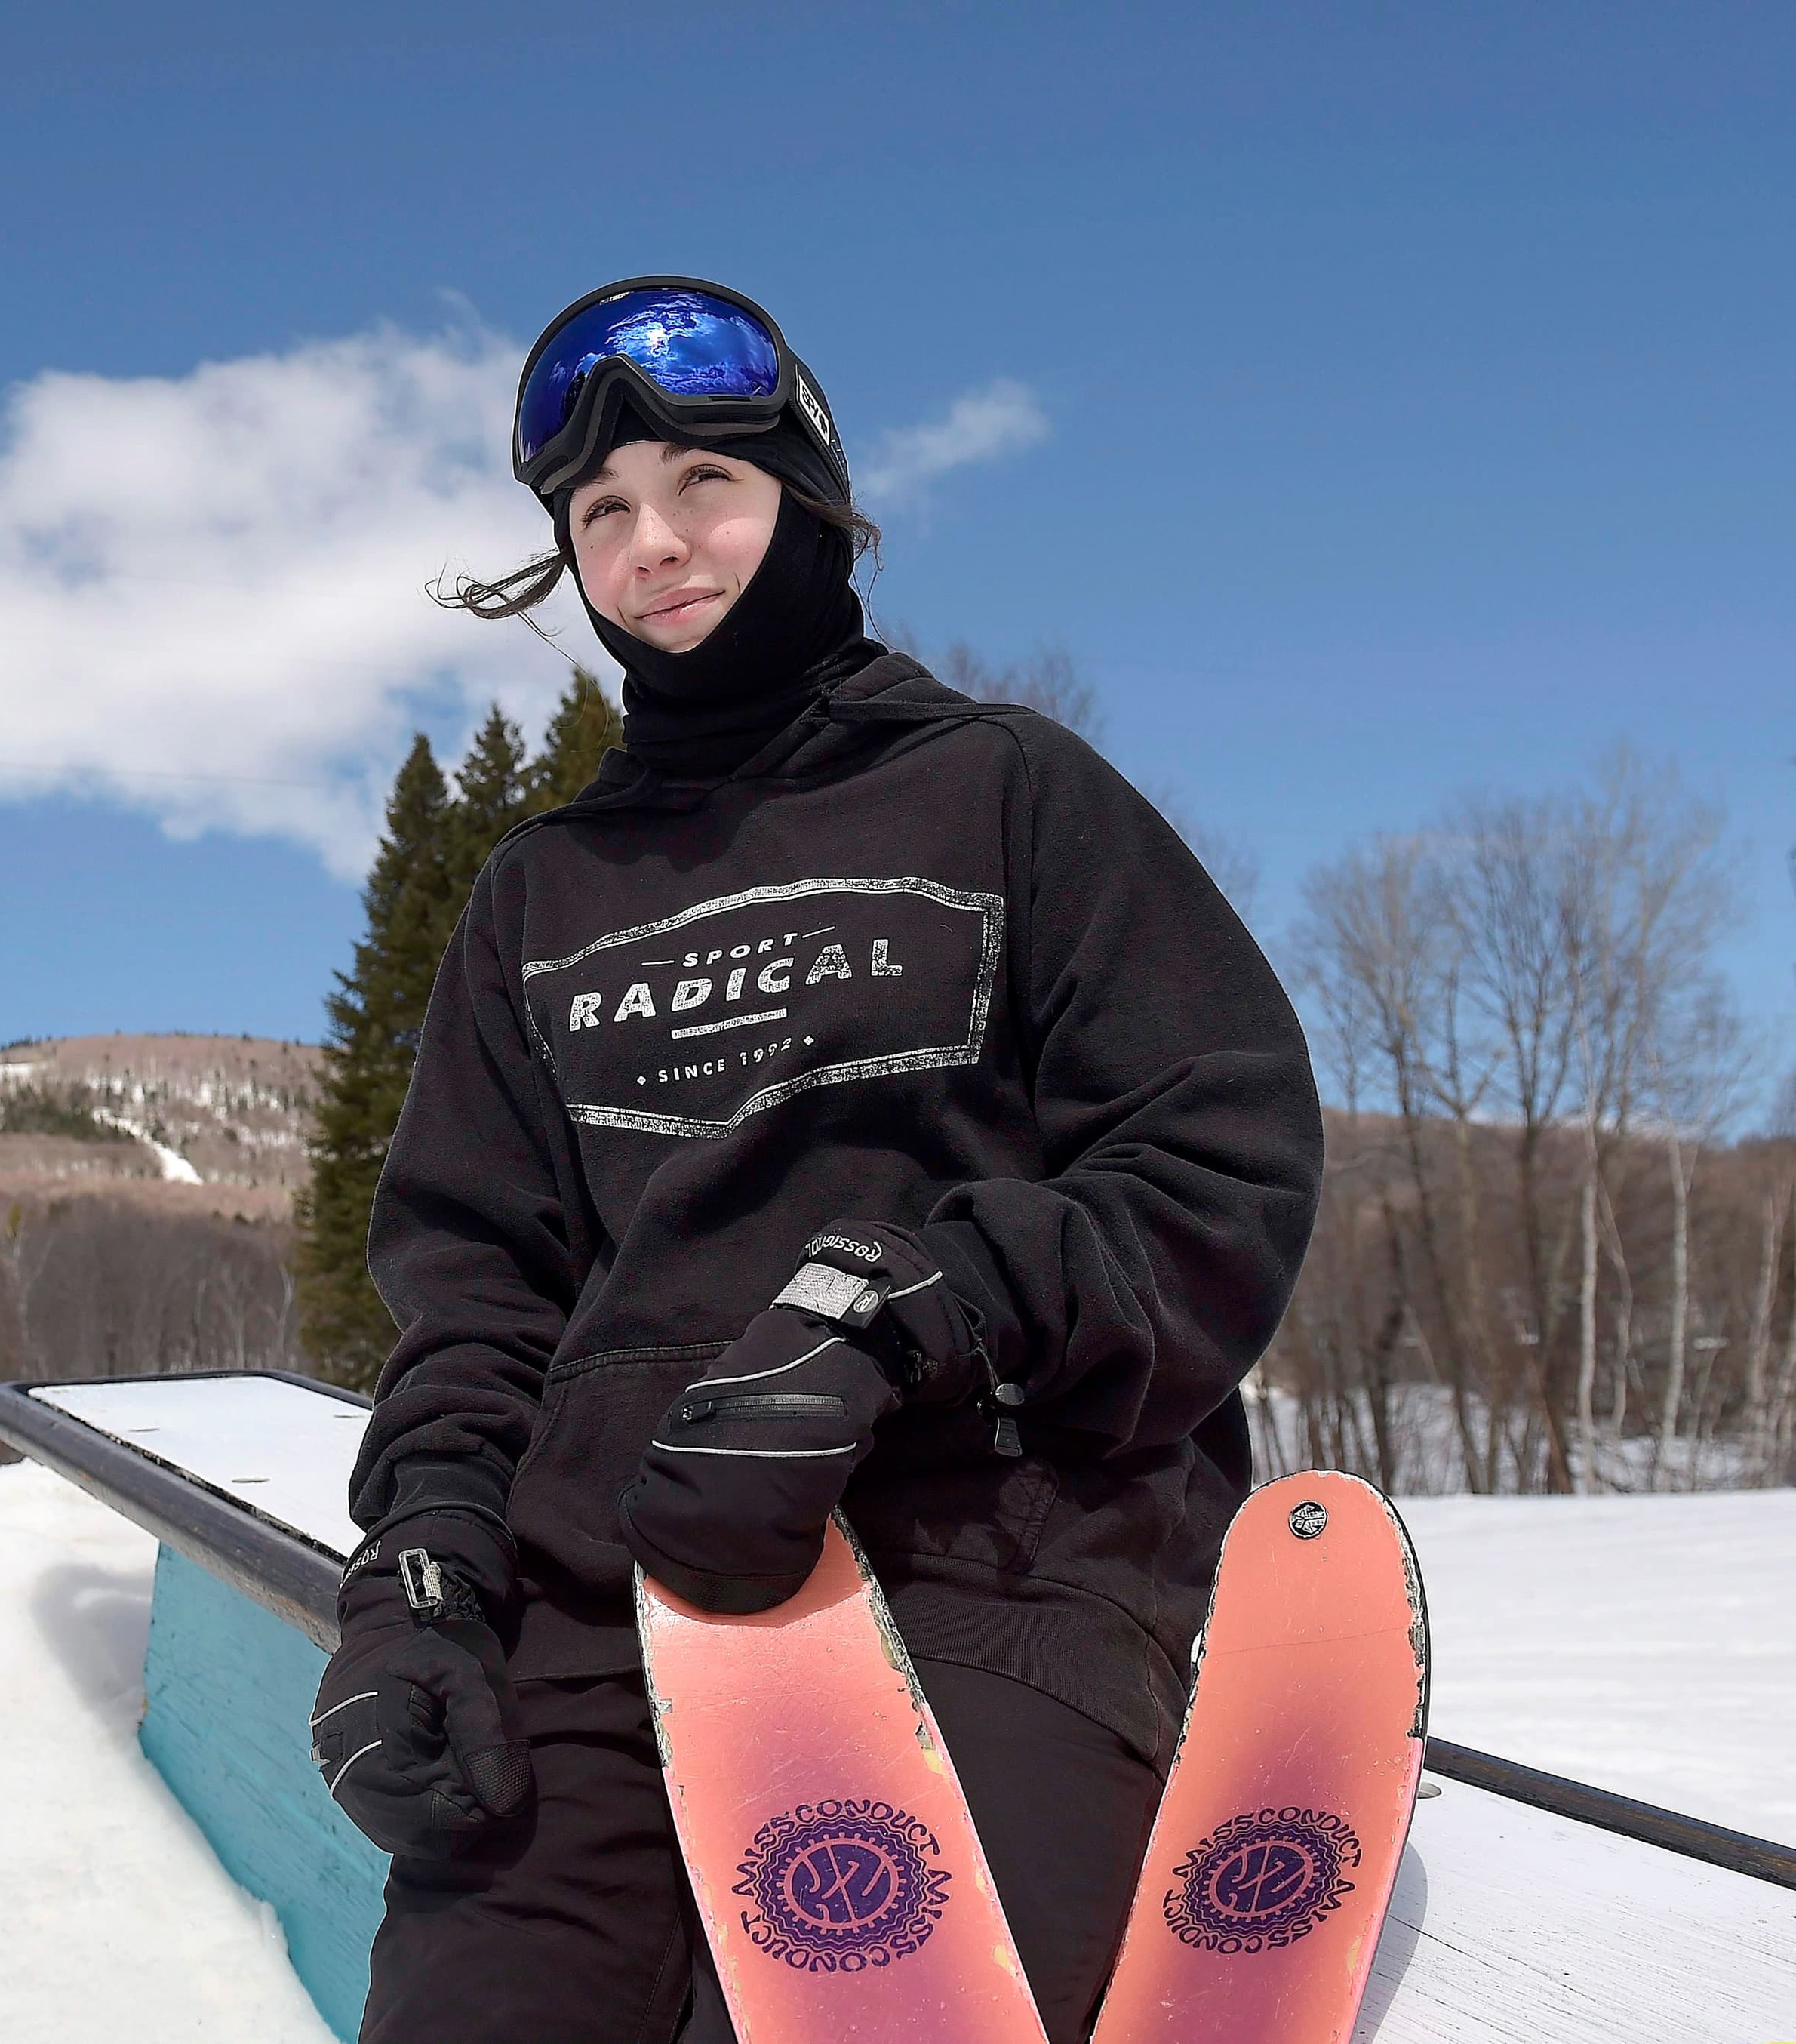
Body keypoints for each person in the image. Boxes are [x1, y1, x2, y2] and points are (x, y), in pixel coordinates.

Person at [308, 278, 1321, 2043]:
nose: (652, 542)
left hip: (988, 1557)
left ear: (809, 495)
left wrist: (900, 1316)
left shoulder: (1004, 789)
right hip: (607, 1607)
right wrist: (425, 1575)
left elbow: (1212, 1167)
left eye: (702, 481)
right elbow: (477, 1300)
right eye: (600, 511)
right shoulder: (540, 894)